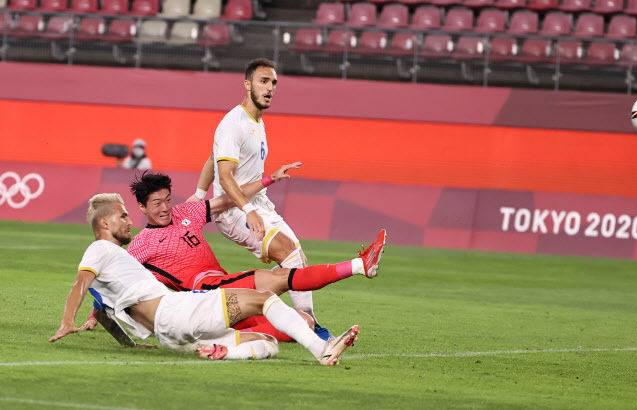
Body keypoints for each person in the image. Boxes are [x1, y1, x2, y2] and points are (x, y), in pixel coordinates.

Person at [49, 193, 361, 365]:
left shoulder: (114, 263)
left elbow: (102, 311)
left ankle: (218, 352)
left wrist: (129, 345)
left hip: (171, 335)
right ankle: (322, 350)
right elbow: (80, 284)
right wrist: (66, 321)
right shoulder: (100, 249)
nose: (130, 221)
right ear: (104, 222)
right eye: (122, 216)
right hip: (176, 311)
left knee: (267, 344)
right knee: (264, 298)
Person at [82, 168, 386, 343]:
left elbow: (228, 199)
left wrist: (268, 180)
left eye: (167, 200)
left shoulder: (187, 212)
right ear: (143, 208)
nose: (164, 208)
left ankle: (218, 341)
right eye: (157, 203)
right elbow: (115, 277)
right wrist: (97, 314)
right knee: (279, 278)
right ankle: (360, 264)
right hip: (203, 291)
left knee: (304, 321)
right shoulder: (143, 242)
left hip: (222, 289)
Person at [193, 58, 325, 337]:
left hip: (258, 203)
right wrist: (242, 208)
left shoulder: (257, 121)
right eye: (263, 81)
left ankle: (290, 318)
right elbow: (225, 175)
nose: (270, 88)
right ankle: (311, 329)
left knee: (298, 257)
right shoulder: (234, 122)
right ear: (247, 84)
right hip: (234, 210)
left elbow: (212, 155)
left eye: (274, 83)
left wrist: (199, 192)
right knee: (288, 254)